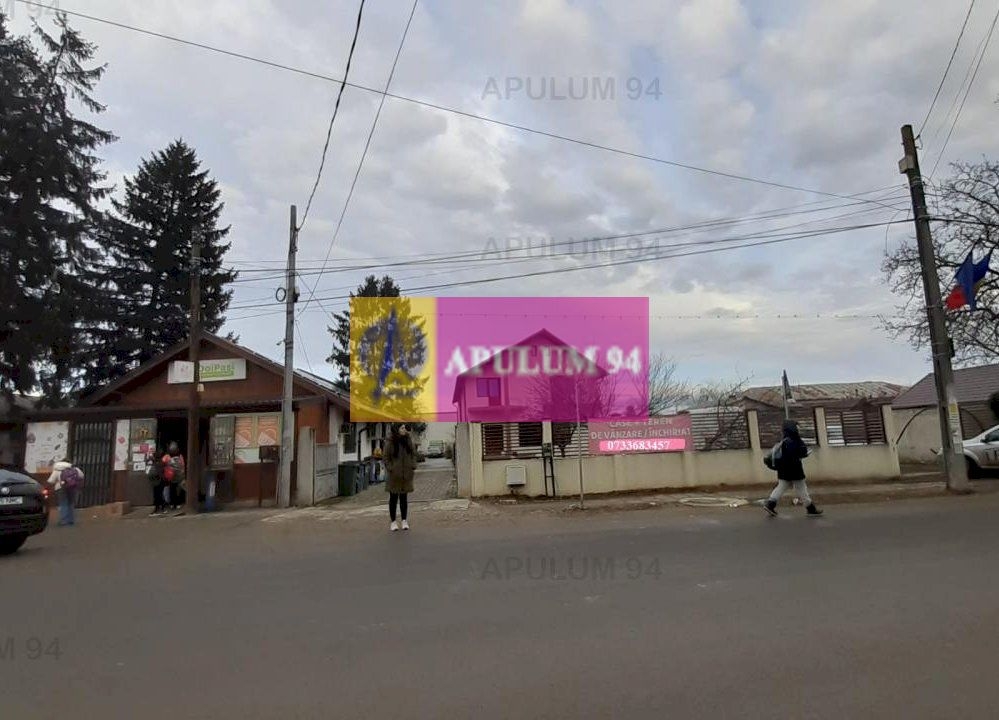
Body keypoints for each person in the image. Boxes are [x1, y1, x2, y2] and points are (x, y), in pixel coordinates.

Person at [764, 419, 823, 517]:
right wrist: (804, 453)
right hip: (794, 470)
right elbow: (798, 453)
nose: (798, 429)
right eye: (796, 427)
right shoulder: (794, 440)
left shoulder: (784, 440)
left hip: (783, 470)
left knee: (781, 487)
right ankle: (810, 509)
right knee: (802, 489)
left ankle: (770, 504)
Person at [383, 424, 416, 531]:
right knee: (393, 498)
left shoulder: (408, 440)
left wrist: (413, 465)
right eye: (402, 428)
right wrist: (391, 468)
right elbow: (386, 457)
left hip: (406, 474)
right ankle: (393, 522)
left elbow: (413, 453)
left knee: (404, 498)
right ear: (397, 429)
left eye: (404, 428)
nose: (404, 430)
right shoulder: (390, 441)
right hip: (394, 475)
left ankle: (404, 520)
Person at [48, 459, 84, 527]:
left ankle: (64, 521)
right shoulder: (75, 468)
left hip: (60, 488)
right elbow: (81, 476)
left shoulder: (57, 470)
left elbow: (51, 481)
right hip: (72, 488)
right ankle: (71, 520)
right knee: (71, 503)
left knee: (63, 503)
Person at [162, 442, 186, 515]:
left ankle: (173, 504)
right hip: (176, 476)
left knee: (173, 490)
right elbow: (183, 465)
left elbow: (163, 463)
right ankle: (175, 503)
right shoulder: (179, 456)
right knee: (175, 490)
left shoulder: (167, 457)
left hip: (173, 476)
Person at [147, 449, 168, 516]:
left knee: (157, 495)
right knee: (159, 495)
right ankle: (160, 508)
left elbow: (158, 473)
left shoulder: (157, 464)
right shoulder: (160, 463)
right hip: (159, 481)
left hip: (158, 482)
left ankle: (159, 508)